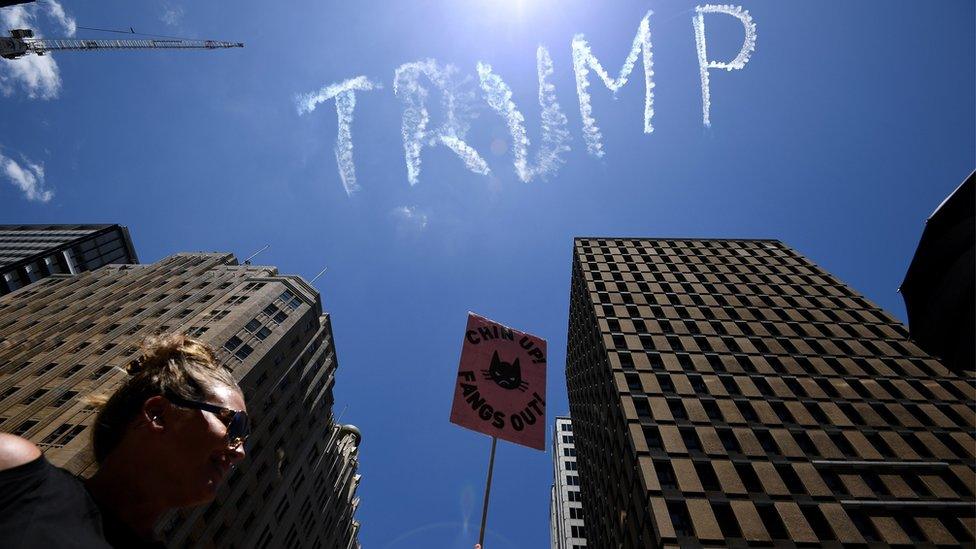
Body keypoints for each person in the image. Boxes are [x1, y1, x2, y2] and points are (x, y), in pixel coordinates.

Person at [0, 334, 248, 548]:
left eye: (244, 435)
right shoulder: (16, 473)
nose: (241, 452)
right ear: (158, 415)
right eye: (234, 423)